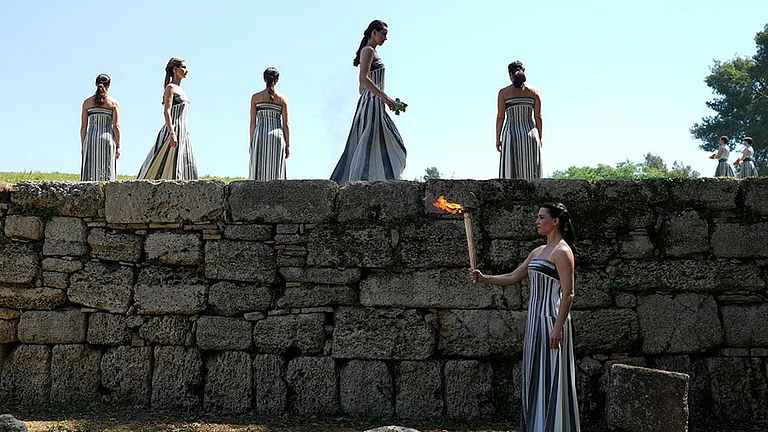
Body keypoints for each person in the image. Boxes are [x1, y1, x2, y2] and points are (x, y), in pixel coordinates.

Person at [469, 203, 580, 432]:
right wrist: (483, 278)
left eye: (541, 217)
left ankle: (554, 427)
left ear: (555, 221)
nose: (537, 221)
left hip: (552, 320)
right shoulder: (537, 252)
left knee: (551, 376)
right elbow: (513, 276)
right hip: (534, 322)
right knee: (534, 374)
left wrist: (558, 328)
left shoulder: (562, 251)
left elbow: (568, 293)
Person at [330, 19, 406, 183]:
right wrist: (384, 97)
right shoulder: (368, 50)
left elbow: (361, 86)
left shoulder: (372, 52)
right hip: (371, 104)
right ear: (374, 33)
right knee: (367, 142)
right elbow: (363, 80)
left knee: (382, 141)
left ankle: (375, 179)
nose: (386, 38)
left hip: (375, 104)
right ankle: (357, 181)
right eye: (384, 34)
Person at [137, 57, 198, 180]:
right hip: (173, 130)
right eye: (184, 67)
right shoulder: (170, 87)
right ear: (175, 69)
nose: (187, 70)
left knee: (185, 165)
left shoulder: (182, 90)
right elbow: (167, 111)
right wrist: (172, 133)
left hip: (183, 131)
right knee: (162, 165)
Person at [497, 60, 543, 180]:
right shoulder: (534, 93)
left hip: (511, 134)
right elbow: (538, 117)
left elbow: (501, 117)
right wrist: (540, 137)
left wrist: (498, 138)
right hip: (530, 134)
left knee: (510, 173)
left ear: (510, 75)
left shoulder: (503, 93)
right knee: (532, 173)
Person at [249, 67, 290, 180]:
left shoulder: (255, 97)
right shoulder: (283, 100)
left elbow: (253, 122)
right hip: (277, 135)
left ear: (264, 79)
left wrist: (251, 142)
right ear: (277, 80)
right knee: (276, 173)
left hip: (260, 134)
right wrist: (288, 145)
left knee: (259, 173)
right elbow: (286, 124)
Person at [80, 74, 120, 181]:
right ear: (109, 85)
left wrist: (83, 144)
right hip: (107, 138)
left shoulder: (87, 103)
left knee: (89, 171)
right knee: (107, 170)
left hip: (91, 138)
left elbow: (84, 126)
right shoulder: (113, 103)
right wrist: (118, 146)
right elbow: (116, 126)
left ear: (96, 84)